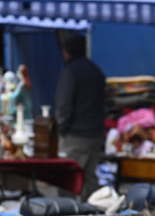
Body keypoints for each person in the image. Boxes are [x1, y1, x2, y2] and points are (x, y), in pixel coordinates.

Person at [54, 33, 105, 201]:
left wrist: (60, 129)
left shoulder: (70, 72)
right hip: (96, 134)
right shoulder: (97, 71)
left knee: (67, 181)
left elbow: (64, 106)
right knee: (90, 180)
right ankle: (93, 214)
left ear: (67, 51)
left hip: (75, 136)